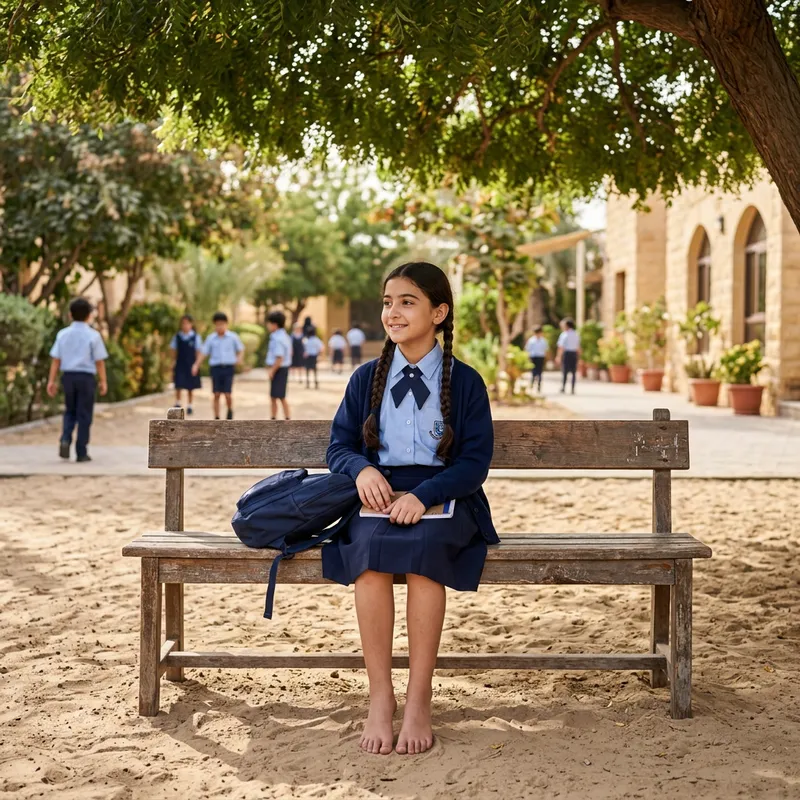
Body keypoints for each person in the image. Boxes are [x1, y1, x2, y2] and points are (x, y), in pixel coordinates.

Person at [323, 261, 497, 756]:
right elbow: (337, 446)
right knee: (370, 564)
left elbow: (474, 463)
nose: (393, 312)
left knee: (424, 561)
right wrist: (362, 471)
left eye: (407, 302)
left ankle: (419, 699)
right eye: (387, 302)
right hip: (377, 495)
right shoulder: (366, 378)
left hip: (445, 496)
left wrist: (425, 496)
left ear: (439, 312)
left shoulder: (465, 382)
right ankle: (381, 698)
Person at [46, 297, 109, 463]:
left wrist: (51, 381)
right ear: (89, 315)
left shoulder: (63, 334)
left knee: (70, 410)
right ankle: (81, 451)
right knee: (84, 414)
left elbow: (56, 360)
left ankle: (65, 438)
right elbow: (99, 361)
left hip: (68, 376)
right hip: (86, 378)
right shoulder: (93, 336)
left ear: (70, 315)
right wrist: (103, 381)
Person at [192, 311, 244, 419]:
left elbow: (241, 349)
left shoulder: (233, 337)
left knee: (228, 394)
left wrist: (239, 359)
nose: (220, 326)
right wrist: (196, 364)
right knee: (216, 393)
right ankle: (216, 417)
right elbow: (204, 353)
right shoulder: (211, 338)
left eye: (222, 324)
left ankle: (229, 411)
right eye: (218, 324)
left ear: (226, 324)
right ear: (215, 325)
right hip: (216, 368)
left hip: (228, 368)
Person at [170, 314, 203, 414]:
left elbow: (198, 351)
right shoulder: (177, 337)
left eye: (187, 323)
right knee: (178, 384)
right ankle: (178, 402)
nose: (185, 325)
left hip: (191, 363)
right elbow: (173, 350)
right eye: (183, 323)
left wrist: (196, 364)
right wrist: (173, 361)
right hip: (180, 362)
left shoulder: (195, 337)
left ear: (191, 324)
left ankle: (190, 405)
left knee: (190, 385)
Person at [266, 310, 292, 420]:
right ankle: (275, 417)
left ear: (274, 324)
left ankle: (284, 418)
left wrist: (272, 371)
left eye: (269, 323)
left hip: (279, 369)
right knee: (275, 396)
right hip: (282, 369)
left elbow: (279, 357)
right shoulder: (284, 336)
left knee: (279, 396)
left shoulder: (277, 338)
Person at [556, 317, 580, 394]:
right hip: (574, 354)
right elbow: (578, 347)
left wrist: (558, 356)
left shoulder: (564, 334)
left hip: (567, 354)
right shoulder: (576, 334)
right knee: (573, 372)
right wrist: (579, 357)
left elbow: (561, 347)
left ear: (567, 325)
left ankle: (563, 387)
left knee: (565, 371)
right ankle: (572, 388)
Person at [524, 326, 548, 393]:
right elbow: (528, 349)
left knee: (539, 372)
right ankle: (532, 385)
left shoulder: (543, 341)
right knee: (533, 371)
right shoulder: (531, 340)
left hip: (540, 357)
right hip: (533, 357)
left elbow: (546, 350)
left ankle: (539, 386)